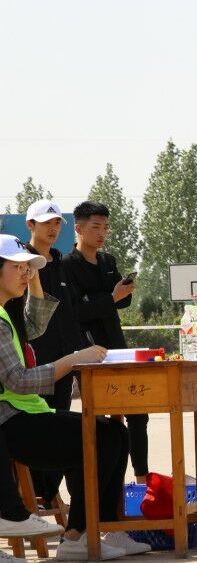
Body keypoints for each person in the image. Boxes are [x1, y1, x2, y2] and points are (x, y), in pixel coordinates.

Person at [0, 235, 149, 561]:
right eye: (18, 268)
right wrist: (72, 360)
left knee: (113, 433)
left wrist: (33, 274)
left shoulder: (6, 312)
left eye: (28, 269)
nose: (25, 274)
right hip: (13, 422)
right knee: (105, 438)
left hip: (25, 414)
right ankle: (79, 535)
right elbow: (18, 381)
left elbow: (36, 323)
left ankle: (92, 532)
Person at [61, 200, 151, 483]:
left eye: (106, 228)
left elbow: (118, 305)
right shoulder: (67, 266)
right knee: (101, 420)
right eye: (95, 227)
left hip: (118, 346)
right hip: (90, 353)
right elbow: (75, 312)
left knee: (137, 413)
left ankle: (142, 479)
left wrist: (122, 294)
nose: (102, 233)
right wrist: (109, 299)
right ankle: (104, 482)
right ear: (79, 229)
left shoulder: (108, 261)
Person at [21, 200, 85, 504]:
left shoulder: (61, 263)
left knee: (61, 425)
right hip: (32, 367)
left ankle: (47, 494)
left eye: (57, 222)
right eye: (46, 222)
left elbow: (69, 314)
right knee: (38, 432)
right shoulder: (19, 263)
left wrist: (77, 356)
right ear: (30, 225)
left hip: (64, 361)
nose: (53, 228)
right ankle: (31, 496)